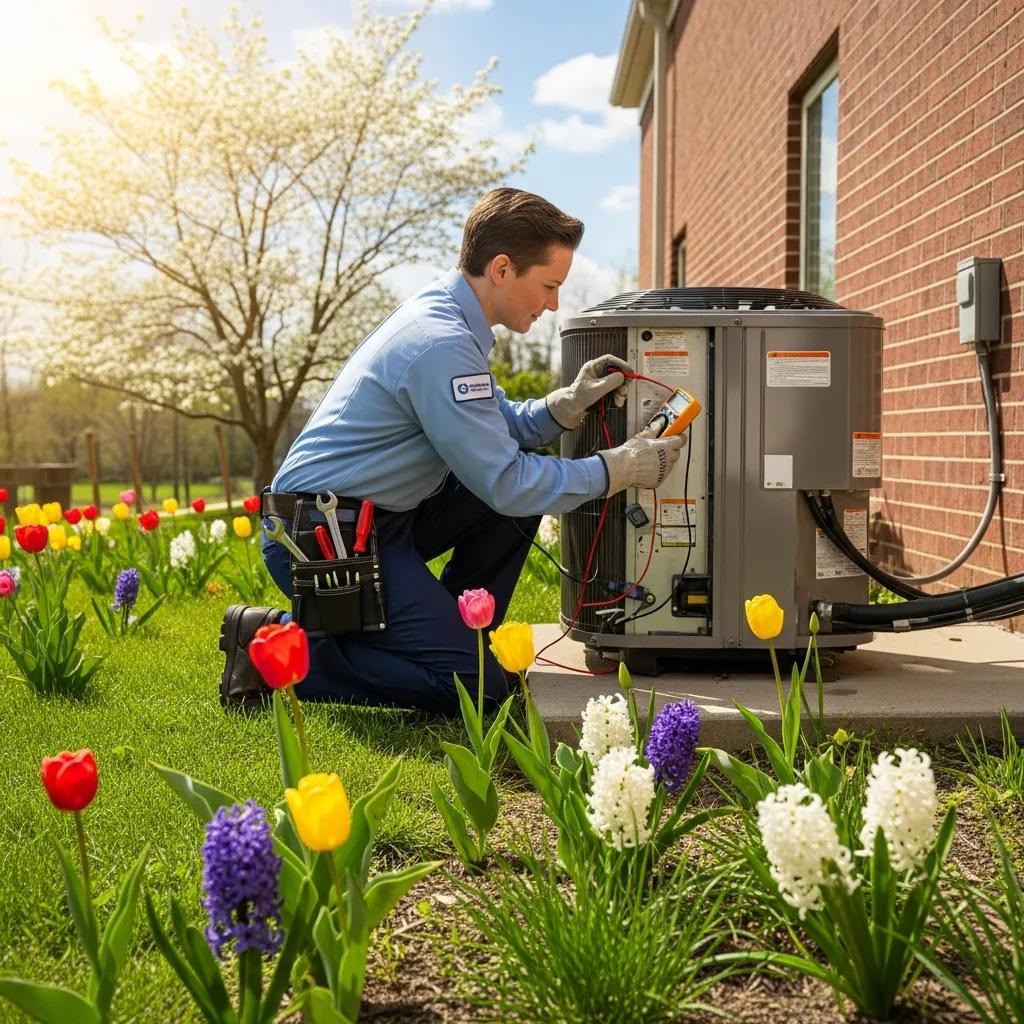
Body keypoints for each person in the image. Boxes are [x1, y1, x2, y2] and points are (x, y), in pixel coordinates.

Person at [219, 187, 685, 712]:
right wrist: (618, 469)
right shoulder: (440, 343)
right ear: (503, 268)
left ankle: (456, 632)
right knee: (478, 687)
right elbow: (505, 481)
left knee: (516, 507)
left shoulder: (451, 321)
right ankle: (271, 647)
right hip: (324, 537)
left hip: (376, 520)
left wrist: (569, 403)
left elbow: (498, 425)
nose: (554, 303)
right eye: (549, 285)